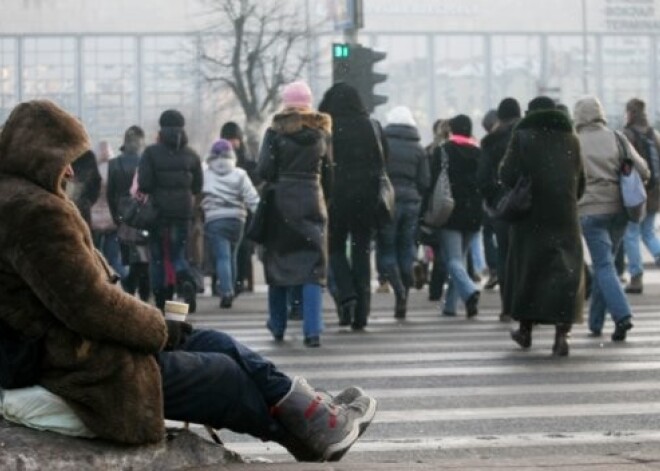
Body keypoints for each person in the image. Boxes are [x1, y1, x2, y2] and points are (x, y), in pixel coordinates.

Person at [0, 99, 376, 462]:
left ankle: (312, 415)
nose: (69, 172)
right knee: (223, 376)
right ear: (40, 156)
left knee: (217, 342)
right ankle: (308, 431)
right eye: (65, 161)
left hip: (83, 347)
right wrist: (158, 328)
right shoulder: (34, 210)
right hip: (80, 364)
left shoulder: (24, 200)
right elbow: (88, 305)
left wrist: (160, 327)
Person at [501, 96, 585, 356]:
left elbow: (507, 174)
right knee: (565, 272)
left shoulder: (523, 136)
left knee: (529, 270)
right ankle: (562, 335)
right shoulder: (572, 139)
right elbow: (581, 182)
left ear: (531, 112)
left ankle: (525, 330)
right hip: (564, 216)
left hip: (531, 216)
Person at [258, 81, 333, 347]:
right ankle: (312, 331)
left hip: (281, 202)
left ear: (285, 104)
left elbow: (264, 169)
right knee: (313, 268)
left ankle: (277, 325)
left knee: (278, 263)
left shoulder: (275, 133)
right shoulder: (321, 134)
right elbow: (329, 173)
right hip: (313, 199)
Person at [574, 96, 648, 341]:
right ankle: (595, 324)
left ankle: (622, 316)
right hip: (619, 211)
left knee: (603, 265)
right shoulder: (617, 138)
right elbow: (643, 170)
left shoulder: (574, 143)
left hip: (590, 211)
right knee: (604, 265)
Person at [318, 82, 383, 330]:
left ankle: (347, 292)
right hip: (366, 198)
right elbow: (381, 160)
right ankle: (362, 315)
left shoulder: (329, 128)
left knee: (334, 248)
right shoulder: (370, 126)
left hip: (336, 197)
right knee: (361, 252)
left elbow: (323, 163)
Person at [138, 109, 203, 313]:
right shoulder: (191, 155)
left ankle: (162, 299)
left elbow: (145, 184)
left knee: (157, 258)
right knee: (178, 254)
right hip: (183, 213)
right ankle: (187, 282)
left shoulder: (150, 153)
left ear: (161, 127)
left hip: (159, 214)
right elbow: (198, 187)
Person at [377, 105, 430, 318]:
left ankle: (397, 286)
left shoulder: (383, 145)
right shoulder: (418, 149)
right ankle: (404, 294)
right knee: (406, 247)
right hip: (411, 202)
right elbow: (425, 182)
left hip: (388, 201)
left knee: (387, 249)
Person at [429, 114, 482, 318]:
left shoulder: (443, 151)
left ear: (452, 130)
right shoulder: (479, 152)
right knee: (460, 258)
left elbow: (433, 182)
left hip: (450, 212)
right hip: (473, 214)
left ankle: (469, 290)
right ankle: (451, 306)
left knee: (452, 260)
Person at [478, 97, 522, 321]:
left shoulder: (491, 142)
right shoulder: (527, 136)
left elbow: (483, 178)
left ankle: (507, 306)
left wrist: (495, 200)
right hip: (527, 205)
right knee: (525, 255)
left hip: (503, 207)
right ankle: (527, 305)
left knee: (505, 255)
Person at [201, 139, 259, 309]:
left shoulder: (206, 174)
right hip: (237, 219)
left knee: (222, 257)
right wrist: (260, 215)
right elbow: (252, 198)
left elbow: (198, 194)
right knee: (232, 255)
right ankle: (231, 288)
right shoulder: (240, 174)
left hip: (214, 219)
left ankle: (226, 291)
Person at [107, 125, 151, 302]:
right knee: (145, 257)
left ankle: (129, 289)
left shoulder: (114, 164)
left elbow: (110, 195)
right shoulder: (146, 162)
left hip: (123, 215)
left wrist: (117, 217)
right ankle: (143, 292)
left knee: (128, 258)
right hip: (143, 213)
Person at [621, 98, 660, 294]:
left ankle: (636, 278)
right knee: (648, 232)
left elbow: (624, 165)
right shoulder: (654, 135)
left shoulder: (627, 135)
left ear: (630, 112)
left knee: (631, 234)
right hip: (655, 192)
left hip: (636, 192)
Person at [220, 121, 260, 295]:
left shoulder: (246, 163)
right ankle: (231, 283)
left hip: (242, 210)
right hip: (233, 209)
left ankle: (237, 281)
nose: (232, 143)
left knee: (241, 248)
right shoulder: (242, 162)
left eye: (234, 139)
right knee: (233, 249)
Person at [90, 139, 126, 280]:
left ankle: (99, 280)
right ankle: (122, 279)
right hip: (113, 219)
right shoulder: (115, 169)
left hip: (94, 219)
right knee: (113, 257)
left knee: (95, 255)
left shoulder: (93, 171)